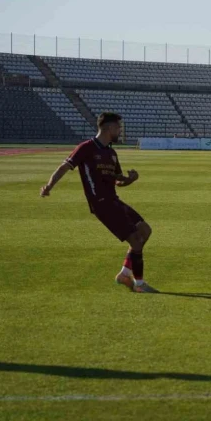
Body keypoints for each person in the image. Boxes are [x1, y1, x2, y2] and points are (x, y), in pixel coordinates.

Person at [39, 112, 156, 293]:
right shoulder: (86, 148)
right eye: (118, 128)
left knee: (145, 231)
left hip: (114, 200)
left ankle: (124, 274)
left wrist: (130, 180)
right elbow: (65, 166)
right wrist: (49, 186)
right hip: (101, 203)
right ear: (109, 128)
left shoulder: (111, 153)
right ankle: (139, 284)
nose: (120, 131)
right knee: (135, 241)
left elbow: (117, 180)